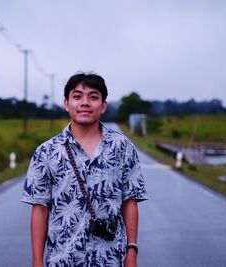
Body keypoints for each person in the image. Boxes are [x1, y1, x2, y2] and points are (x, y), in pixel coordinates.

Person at [21, 72, 148, 266]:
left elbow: (130, 202)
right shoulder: (46, 152)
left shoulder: (123, 147)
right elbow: (39, 210)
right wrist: (37, 262)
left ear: (103, 105)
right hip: (62, 260)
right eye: (77, 96)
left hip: (111, 259)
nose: (85, 102)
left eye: (93, 97)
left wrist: (132, 250)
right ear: (66, 103)